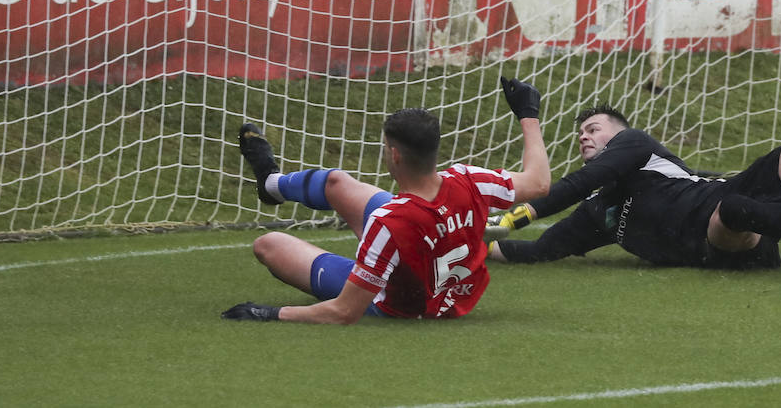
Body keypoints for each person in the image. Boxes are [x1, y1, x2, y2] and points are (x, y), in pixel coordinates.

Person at [221, 77, 550, 323]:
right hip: (446, 284)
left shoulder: (390, 222)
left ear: (394, 154)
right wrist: (527, 112)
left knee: (268, 244)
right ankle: (271, 183)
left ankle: (364, 271)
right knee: (336, 182)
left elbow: (344, 312)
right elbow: (538, 182)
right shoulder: (470, 180)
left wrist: (270, 313)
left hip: (397, 303)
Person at [485, 104, 781, 271]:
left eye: (594, 128)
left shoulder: (635, 146)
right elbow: (537, 250)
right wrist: (471, 244)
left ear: (620, 135)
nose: (584, 136)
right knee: (732, 208)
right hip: (725, 235)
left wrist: (512, 215)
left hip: (736, 197)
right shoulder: (596, 214)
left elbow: (574, 185)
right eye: (580, 132)